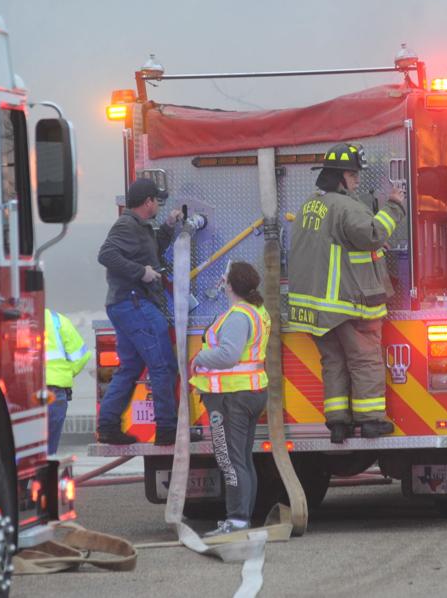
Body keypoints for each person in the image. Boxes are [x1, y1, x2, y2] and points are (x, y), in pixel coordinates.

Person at [287, 142, 406, 444]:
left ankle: (338, 423)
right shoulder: (346, 206)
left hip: (318, 309)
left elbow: (337, 244)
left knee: (334, 362)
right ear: (339, 176)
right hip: (348, 303)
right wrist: (395, 206)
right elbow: (372, 234)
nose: (356, 181)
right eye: (353, 175)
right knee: (365, 359)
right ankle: (369, 421)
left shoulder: (310, 205)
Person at [96, 178, 183, 446]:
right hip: (134, 303)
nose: (158, 203)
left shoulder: (141, 228)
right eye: (157, 200)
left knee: (131, 366)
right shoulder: (126, 225)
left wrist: (168, 226)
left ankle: (108, 426)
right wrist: (141, 272)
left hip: (126, 304)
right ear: (147, 202)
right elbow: (106, 255)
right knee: (163, 365)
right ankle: (167, 430)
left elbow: (152, 250)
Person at [189, 261, 270, 535]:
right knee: (243, 459)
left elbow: (228, 355)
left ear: (230, 285)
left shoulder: (237, 316)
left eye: (225, 279)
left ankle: (236, 521)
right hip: (247, 393)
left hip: (231, 398)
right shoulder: (256, 310)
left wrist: (199, 358)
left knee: (230, 460)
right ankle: (242, 518)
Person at [44, 308, 92, 454]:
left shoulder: (8, 318)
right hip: (54, 391)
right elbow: (81, 356)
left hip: (21, 393)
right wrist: (64, 374)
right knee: (48, 454)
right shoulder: (57, 320)